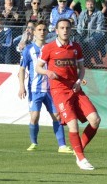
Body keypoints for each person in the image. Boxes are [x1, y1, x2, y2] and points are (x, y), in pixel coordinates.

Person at [36, 18, 101, 171]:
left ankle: (79, 150)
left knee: (95, 120)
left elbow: (82, 68)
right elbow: (38, 67)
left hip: (76, 89)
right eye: (62, 28)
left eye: (67, 28)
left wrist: (79, 80)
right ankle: (81, 158)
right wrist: (47, 72)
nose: (65, 30)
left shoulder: (76, 47)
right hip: (59, 91)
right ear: (56, 30)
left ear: (71, 30)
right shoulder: (49, 48)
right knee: (73, 125)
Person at [18, 21, 73, 154]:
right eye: (39, 29)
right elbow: (22, 69)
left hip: (52, 89)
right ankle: (34, 143)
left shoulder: (52, 47)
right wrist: (21, 87)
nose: (42, 32)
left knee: (57, 117)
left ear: (48, 32)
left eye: (44, 30)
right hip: (35, 90)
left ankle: (62, 145)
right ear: (34, 32)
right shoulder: (28, 50)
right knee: (34, 117)